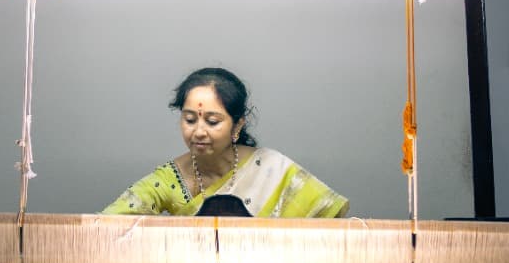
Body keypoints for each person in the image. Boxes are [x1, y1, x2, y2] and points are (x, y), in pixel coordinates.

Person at [102, 67, 349, 218]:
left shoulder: (272, 167)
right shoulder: (169, 179)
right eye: (189, 119)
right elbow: (107, 223)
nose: (198, 132)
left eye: (212, 121)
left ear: (237, 125)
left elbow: (329, 227)